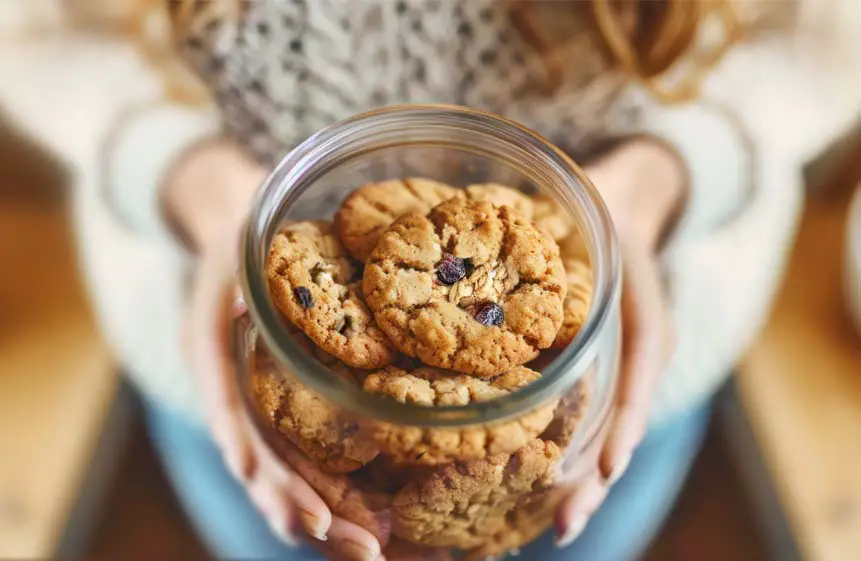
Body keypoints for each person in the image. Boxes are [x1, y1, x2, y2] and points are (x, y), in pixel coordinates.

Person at [1, 1, 858, 560]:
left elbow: (828, 43)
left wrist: (659, 180)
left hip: (608, 366)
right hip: (242, 363)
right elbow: (35, 37)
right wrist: (193, 181)